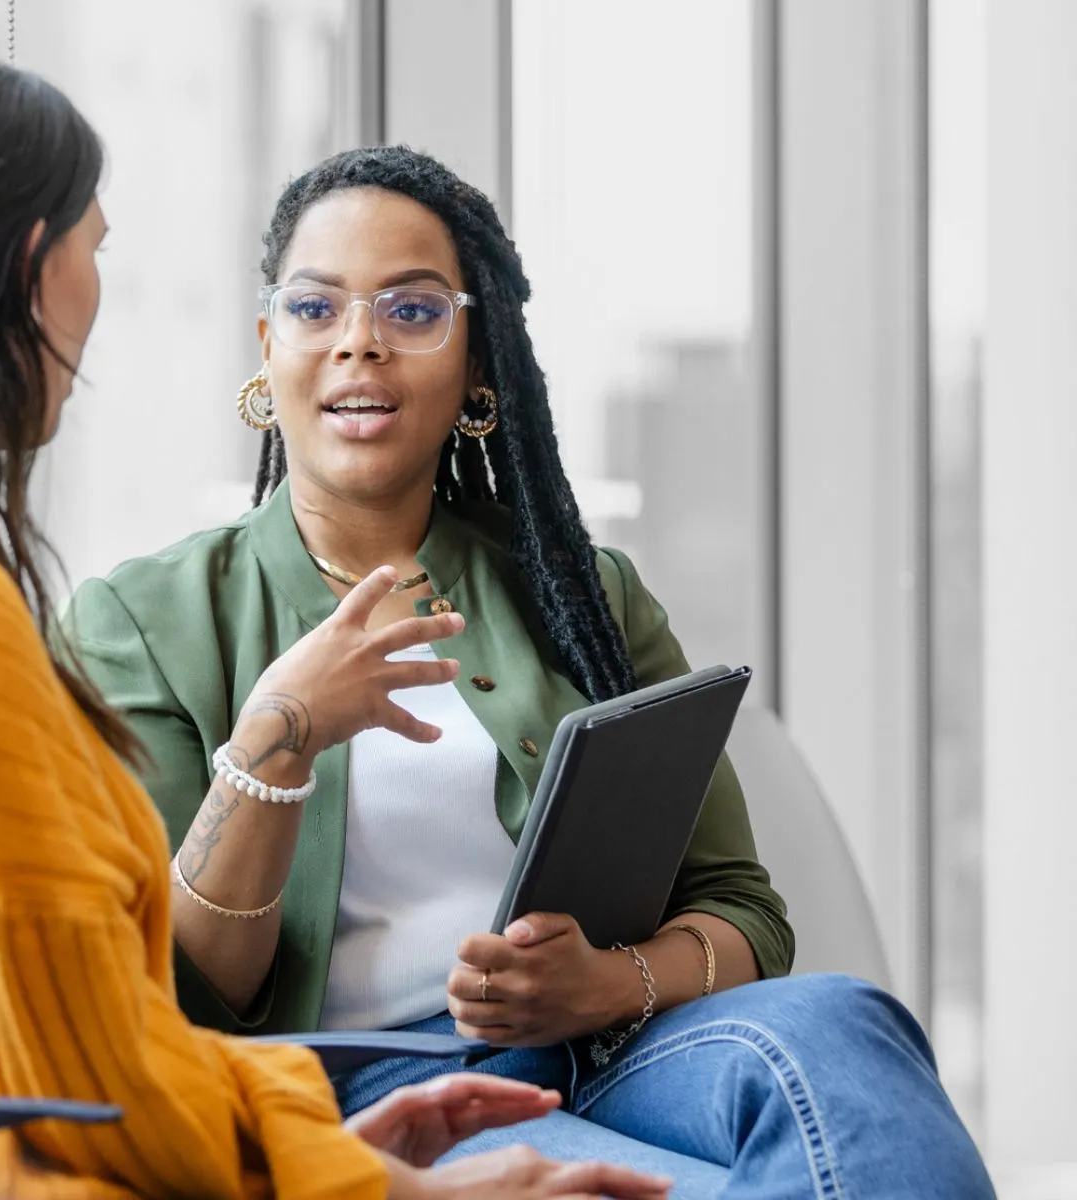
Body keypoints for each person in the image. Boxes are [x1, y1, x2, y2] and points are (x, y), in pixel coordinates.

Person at [0, 43, 670, 1200]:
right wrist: (382, 1191)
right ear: (32, 267)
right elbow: (89, 1074)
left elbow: (79, 1052)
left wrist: (314, 1150)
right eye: (95, 248)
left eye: (410, 309)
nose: (359, 342)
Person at [64, 145, 997, 1198]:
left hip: (612, 1054)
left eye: (412, 312)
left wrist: (602, 985)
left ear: (475, 365)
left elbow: (742, 913)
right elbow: (186, 994)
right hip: (366, 1094)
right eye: (317, 309)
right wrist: (279, 729)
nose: (359, 344)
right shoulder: (140, 622)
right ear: (267, 346)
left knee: (844, 1020)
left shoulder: (580, 593)